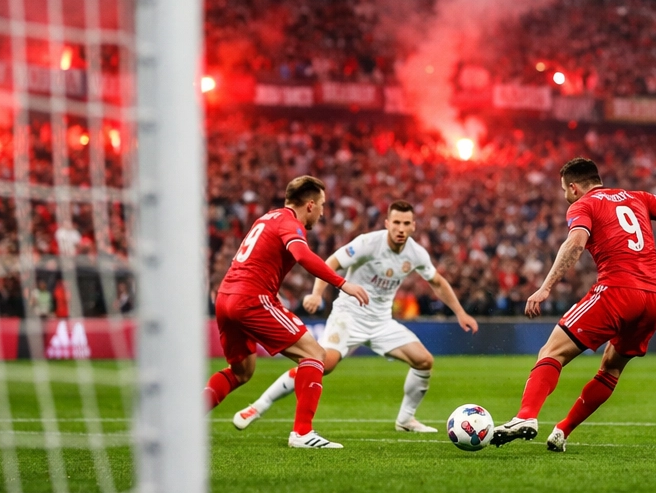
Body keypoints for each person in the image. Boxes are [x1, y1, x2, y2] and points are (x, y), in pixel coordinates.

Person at [490, 157, 656, 452]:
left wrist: (545, 287)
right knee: (611, 368)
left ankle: (525, 417)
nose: (565, 196)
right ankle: (563, 430)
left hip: (618, 289)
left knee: (552, 351)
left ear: (574, 187)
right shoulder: (638, 197)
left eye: (565, 190)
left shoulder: (582, 205)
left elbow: (575, 243)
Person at [232, 200, 479, 433]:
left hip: (381, 321)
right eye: (396, 223)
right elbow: (332, 262)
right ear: (387, 223)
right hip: (348, 315)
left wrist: (460, 312)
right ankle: (258, 406)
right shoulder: (368, 243)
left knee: (424, 361)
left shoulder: (416, 253)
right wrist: (317, 293)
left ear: (413, 226)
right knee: (322, 364)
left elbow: (437, 282)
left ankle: (405, 419)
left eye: (406, 223)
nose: (401, 228)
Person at [202, 176, 370, 449]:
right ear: (311, 205)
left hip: (226, 297)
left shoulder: (267, 218)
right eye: (323, 205)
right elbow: (303, 256)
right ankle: (302, 433)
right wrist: (343, 283)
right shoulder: (290, 223)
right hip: (251, 299)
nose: (324, 212)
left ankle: (184, 421)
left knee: (242, 372)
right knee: (315, 354)